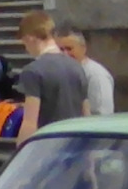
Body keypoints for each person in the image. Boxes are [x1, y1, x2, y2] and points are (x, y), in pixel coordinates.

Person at [13, 11, 89, 143]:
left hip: (48, 146)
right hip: (75, 144)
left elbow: (30, 123)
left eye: (24, 44)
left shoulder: (33, 71)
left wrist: (21, 154)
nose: (26, 49)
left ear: (30, 38)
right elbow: (86, 114)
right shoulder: (77, 67)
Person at [59, 30, 114, 116]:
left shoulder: (96, 76)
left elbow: (102, 114)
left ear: (83, 49)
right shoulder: (63, 72)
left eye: (69, 49)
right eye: (61, 49)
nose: (65, 54)